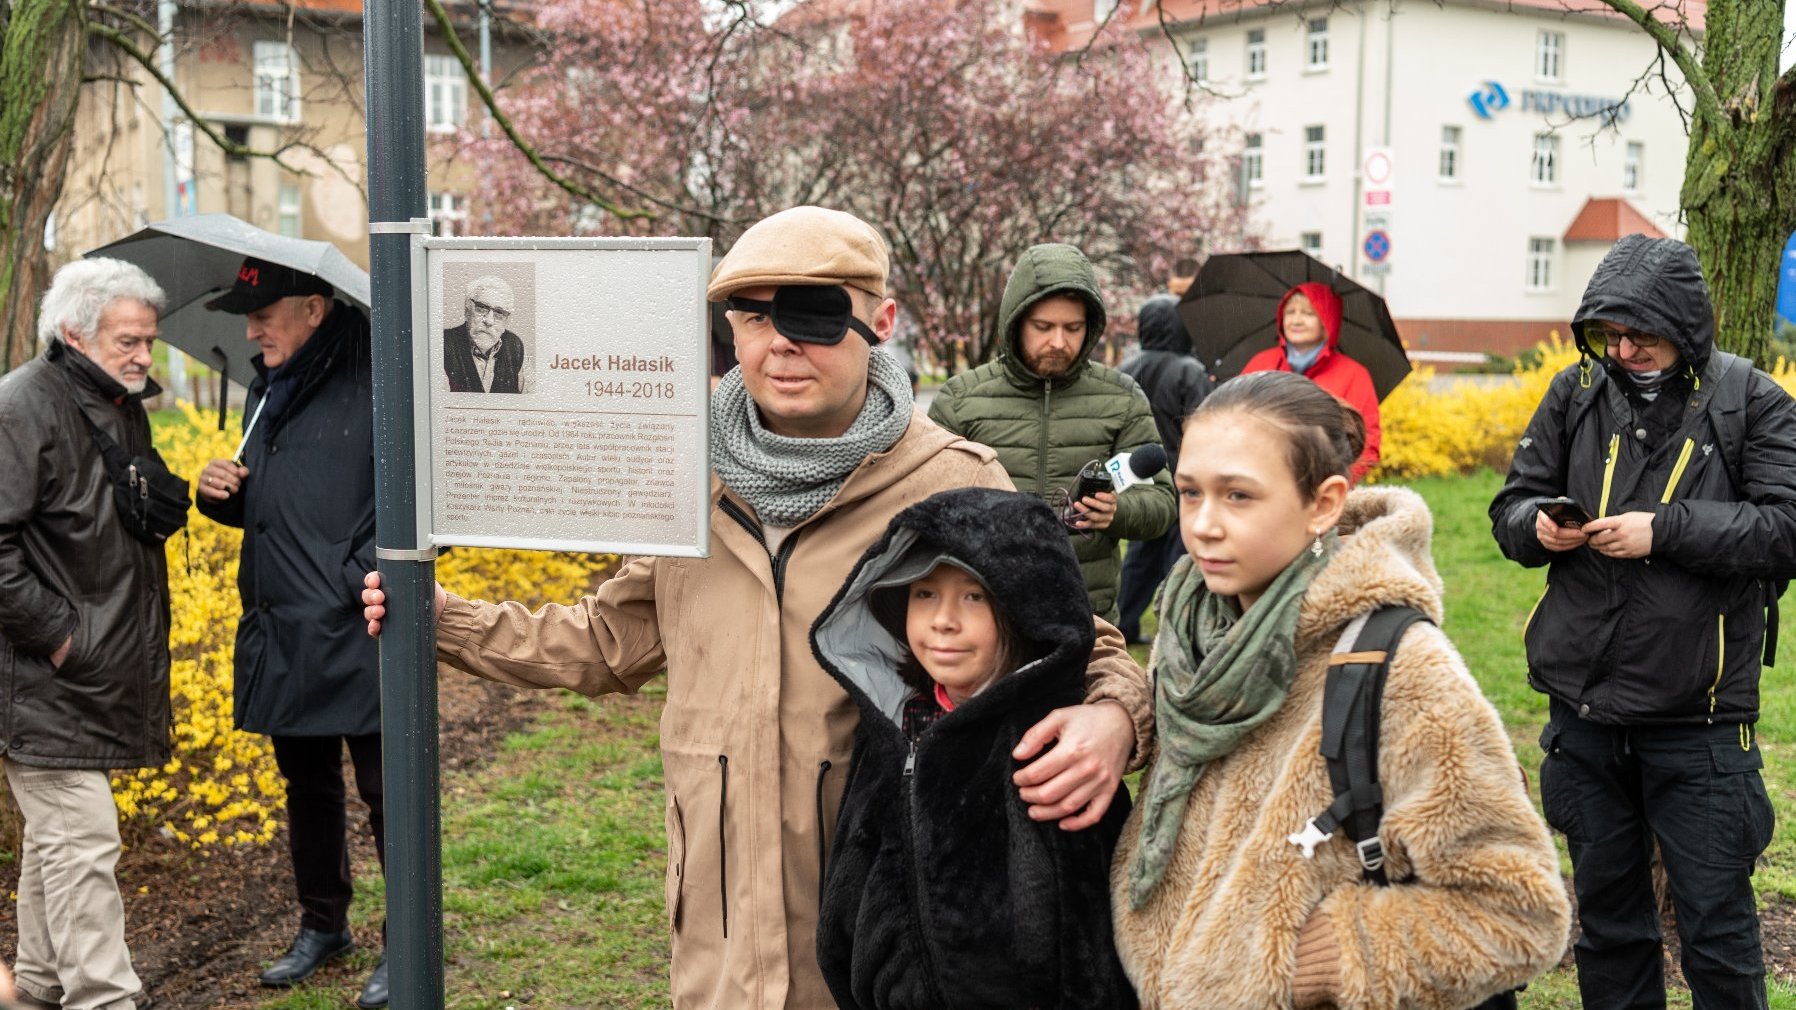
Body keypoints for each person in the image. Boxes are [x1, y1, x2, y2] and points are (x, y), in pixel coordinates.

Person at [360, 206, 1151, 1010]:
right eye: (752, 314)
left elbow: (1079, 646)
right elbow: (609, 641)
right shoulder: (685, 478)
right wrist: (443, 619)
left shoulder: (951, 481)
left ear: (880, 321)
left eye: (814, 313)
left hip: (878, 933)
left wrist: (1114, 718)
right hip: (720, 940)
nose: (781, 342)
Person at [1112, 371, 1569, 1009]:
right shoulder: (1192, 626)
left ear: (1325, 504)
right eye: (1190, 493)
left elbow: (1519, 913)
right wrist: (1117, 713)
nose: (1204, 525)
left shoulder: (1402, 671)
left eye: (1238, 496)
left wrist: (1321, 959)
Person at [1489, 234, 1796, 1010]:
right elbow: (1510, 506)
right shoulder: (1575, 392)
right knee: (1612, 931)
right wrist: (1538, 527)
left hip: (1700, 725)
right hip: (1584, 717)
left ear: (1685, 331)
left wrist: (1666, 529)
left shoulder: (1754, 402)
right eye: (1610, 336)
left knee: (1718, 935)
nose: (1625, 351)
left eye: (1643, 337)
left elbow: (1787, 527)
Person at [812, 487, 1137, 1010]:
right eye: (924, 594)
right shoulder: (892, 725)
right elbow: (852, 874)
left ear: (1025, 609)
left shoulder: (1053, 749)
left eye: (973, 596)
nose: (943, 620)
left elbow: (1091, 936)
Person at [194, 258, 389, 1008]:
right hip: (283, 623)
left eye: (262, 314)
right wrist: (224, 497)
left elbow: (417, 498)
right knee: (305, 785)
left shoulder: (382, 373)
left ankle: (405, 939)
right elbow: (280, 501)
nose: (249, 329)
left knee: (385, 793)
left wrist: (359, 577)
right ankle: (323, 925)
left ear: (312, 308)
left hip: (362, 621)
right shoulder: (266, 387)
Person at [0, 258, 180, 1010]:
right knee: (84, 840)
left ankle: (37, 987)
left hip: (85, 674)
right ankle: (105, 999)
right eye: (129, 341)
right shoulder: (23, 406)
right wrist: (63, 637)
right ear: (74, 331)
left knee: (59, 843)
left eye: (149, 341)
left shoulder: (114, 403)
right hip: (45, 678)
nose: (145, 356)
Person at [927, 243, 1175, 623]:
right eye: (1043, 327)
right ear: (1016, 321)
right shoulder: (961, 398)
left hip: (1087, 617)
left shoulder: (1122, 397)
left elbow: (1161, 502)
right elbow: (927, 505)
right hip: (986, 612)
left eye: (1073, 328)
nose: (1059, 342)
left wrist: (1117, 511)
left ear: (1090, 327)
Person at [1115, 294, 1209, 643]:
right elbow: (1202, 425)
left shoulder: (1126, 369)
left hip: (1140, 474)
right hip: (1184, 474)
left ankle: (1124, 623)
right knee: (1179, 556)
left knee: (1140, 556)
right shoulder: (1189, 370)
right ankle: (1174, 627)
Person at [1239, 282, 1381, 482]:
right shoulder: (1261, 363)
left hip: (1325, 487)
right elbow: (1235, 417)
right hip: (1261, 481)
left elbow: (1368, 443)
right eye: (1290, 312)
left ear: (1327, 321)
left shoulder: (1354, 374)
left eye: (1308, 313)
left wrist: (1335, 485)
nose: (1296, 320)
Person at [443, 275, 525, 393]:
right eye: (482, 307)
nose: (489, 320)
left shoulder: (516, 346)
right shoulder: (442, 345)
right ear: (467, 309)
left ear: (506, 320)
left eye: (499, 312)